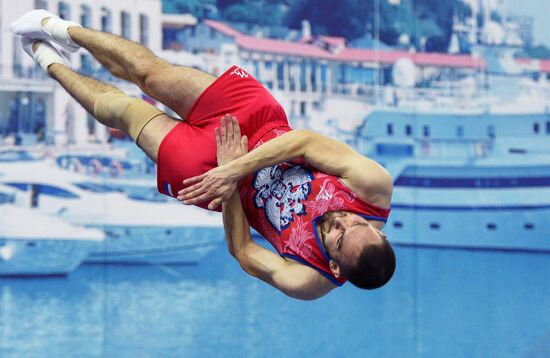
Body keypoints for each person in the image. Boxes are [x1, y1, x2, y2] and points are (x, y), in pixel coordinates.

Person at [11, 10, 395, 300]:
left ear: (334, 265)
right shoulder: (372, 189)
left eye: (339, 236)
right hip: (257, 122)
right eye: (356, 224)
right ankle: (58, 27)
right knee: (150, 74)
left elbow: (243, 253)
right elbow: (306, 143)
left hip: (220, 183)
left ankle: (49, 61)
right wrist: (237, 166)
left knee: (125, 112)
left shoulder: (308, 280)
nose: (343, 222)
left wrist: (228, 180)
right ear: (375, 229)